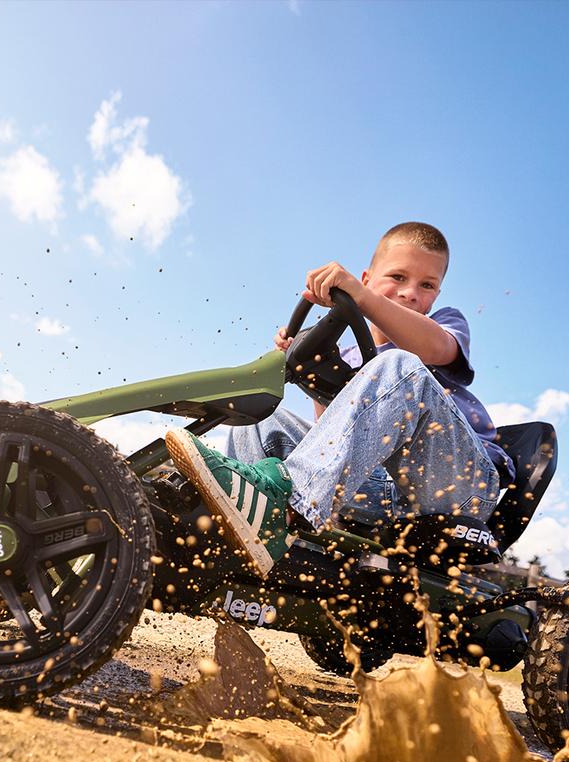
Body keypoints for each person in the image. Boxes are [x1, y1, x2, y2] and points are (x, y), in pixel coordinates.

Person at [165, 221, 513, 579]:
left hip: (457, 486)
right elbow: (331, 440)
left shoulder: (441, 326)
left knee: (398, 365)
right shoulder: (348, 353)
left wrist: (363, 299)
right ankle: (246, 538)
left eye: (427, 285)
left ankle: (280, 503)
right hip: (376, 485)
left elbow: (435, 349)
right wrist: (311, 373)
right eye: (397, 277)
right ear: (367, 276)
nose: (411, 293)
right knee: (264, 423)